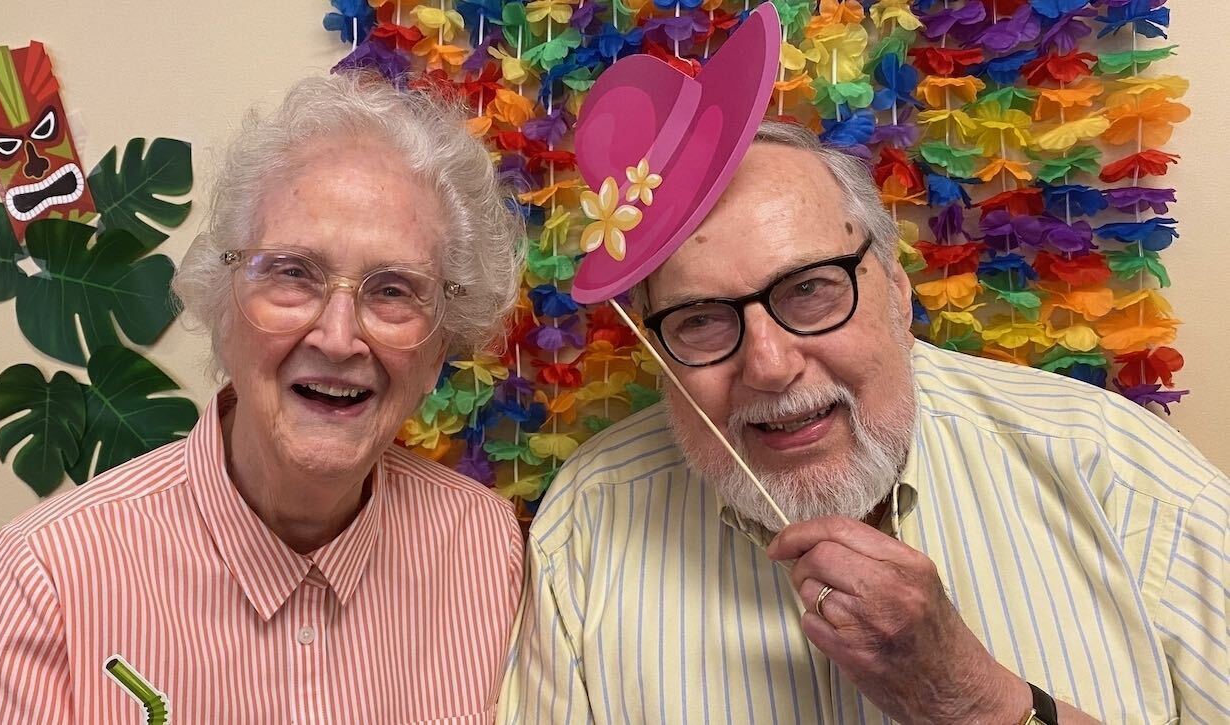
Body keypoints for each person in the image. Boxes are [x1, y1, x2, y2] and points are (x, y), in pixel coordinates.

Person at [498, 10, 1227, 721]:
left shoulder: (1117, 474)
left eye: (809, 290)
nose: (771, 365)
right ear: (657, 349)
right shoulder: (588, 526)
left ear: (899, 291)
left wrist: (977, 704)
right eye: (701, 320)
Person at [0, 71, 527, 724]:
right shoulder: (48, 576)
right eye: (292, 273)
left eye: (393, 289)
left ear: (441, 342)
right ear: (224, 307)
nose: (338, 338)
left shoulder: (481, 545)